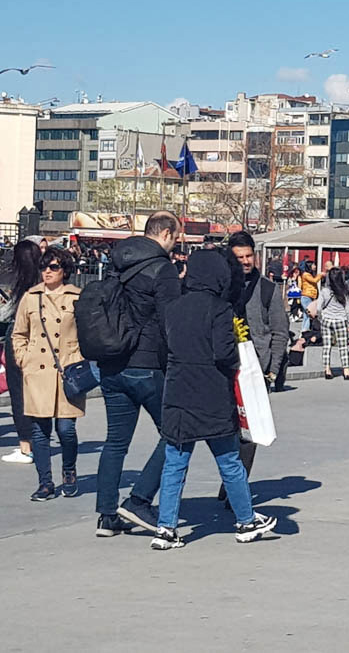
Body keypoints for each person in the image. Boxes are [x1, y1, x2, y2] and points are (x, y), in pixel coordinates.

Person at [152, 250, 277, 550]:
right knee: (229, 460)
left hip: (179, 393)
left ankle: (166, 528)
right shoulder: (220, 309)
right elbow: (224, 353)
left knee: (175, 462)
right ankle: (245, 521)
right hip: (212, 394)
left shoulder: (173, 308)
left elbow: (163, 349)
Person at [95, 211, 182, 537]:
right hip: (145, 365)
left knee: (116, 441)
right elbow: (170, 322)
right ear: (166, 234)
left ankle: (106, 515)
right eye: (176, 237)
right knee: (176, 432)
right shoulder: (163, 269)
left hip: (111, 363)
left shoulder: (117, 262)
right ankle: (139, 500)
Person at [12, 247, 86, 501]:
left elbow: (89, 333)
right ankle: (45, 482)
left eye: (53, 267)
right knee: (40, 431)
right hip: (38, 372)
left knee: (66, 429)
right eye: (44, 267)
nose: (47, 271)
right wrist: (24, 359)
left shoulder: (77, 297)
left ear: (64, 270)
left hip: (68, 371)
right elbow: (18, 333)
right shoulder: (31, 297)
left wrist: (81, 360)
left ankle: (69, 471)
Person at [223, 232, 289, 500]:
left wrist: (272, 370)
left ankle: (234, 489)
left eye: (249, 256)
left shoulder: (267, 290)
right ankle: (231, 482)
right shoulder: (222, 286)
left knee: (249, 434)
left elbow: (280, 331)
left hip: (256, 371)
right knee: (226, 430)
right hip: (225, 368)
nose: (245, 262)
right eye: (239, 257)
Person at [1, 240, 42, 465]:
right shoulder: (43, 281)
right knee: (35, 392)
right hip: (40, 341)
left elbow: (5, 314)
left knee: (19, 394)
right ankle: (38, 441)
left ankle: (25, 447)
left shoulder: (16, 282)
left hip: (17, 338)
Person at [317, 267, 349, 381]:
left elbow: (319, 307)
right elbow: (347, 309)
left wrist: (321, 318)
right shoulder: (344, 291)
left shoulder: (324, 291)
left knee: (327, 346)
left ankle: (327, 370)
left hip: (327, 320)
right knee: (343, 347)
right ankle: (346, 371)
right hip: (340, 320)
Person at [299, 261, 320, 331]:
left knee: (306, 315)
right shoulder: (306, 275)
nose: (315, 266)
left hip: (310, 296)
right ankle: (305, 330)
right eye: (313, 265)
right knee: (310, 314)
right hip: (306, 296)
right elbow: (314, 281)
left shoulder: (309, 274)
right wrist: (320, 275)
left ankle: (303, 330)